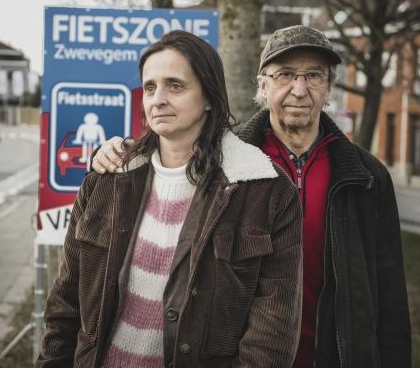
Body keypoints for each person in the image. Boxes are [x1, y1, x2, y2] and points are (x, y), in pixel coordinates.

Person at [92, 25, 412, 368]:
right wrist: (121, 152)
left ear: (329, 87)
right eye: (285, 75)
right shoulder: (224, 162)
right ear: (262, 85)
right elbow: (167, 160)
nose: (299, 89)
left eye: (314, 76)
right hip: (243, 354)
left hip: (335, 353)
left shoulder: (365, 176)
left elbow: (389, 290)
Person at [37, 30, 303, 368]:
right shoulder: (107, 180)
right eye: (150, 87)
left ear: (209, 96)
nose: (158, 99)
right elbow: (65, 303)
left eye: (175, 86)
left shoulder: (265, 192)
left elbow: (272, 335)